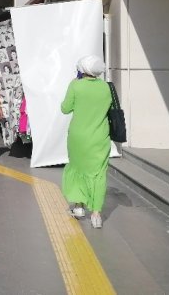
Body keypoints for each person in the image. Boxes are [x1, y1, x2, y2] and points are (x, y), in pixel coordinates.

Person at [61, 55, 112, 229]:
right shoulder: (106, 87)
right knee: (98, 174)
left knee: (77, 169)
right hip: (100, 137)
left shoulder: (76, 85)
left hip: (78, 137)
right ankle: (96, 215)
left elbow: (65, 108)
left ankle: (79, 207)